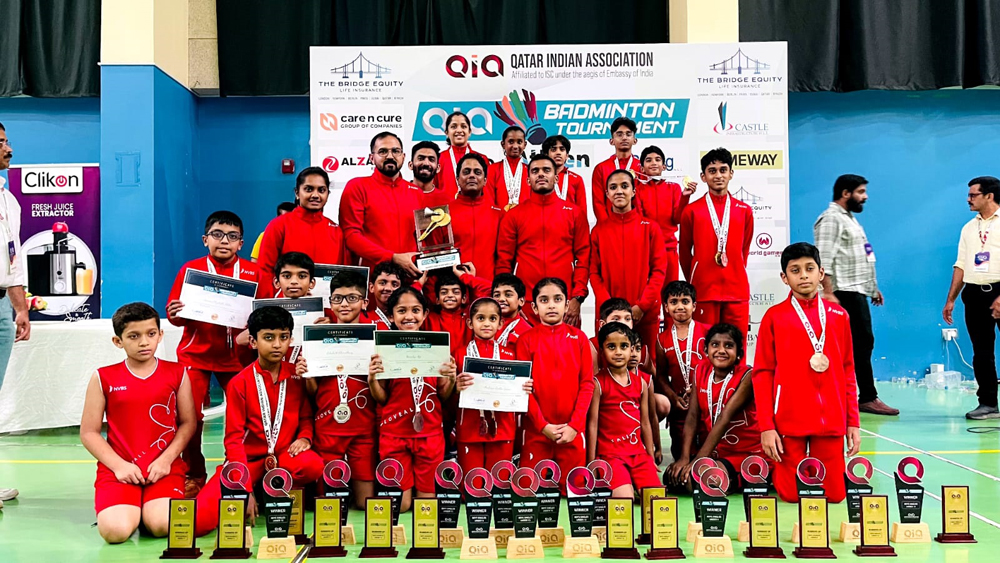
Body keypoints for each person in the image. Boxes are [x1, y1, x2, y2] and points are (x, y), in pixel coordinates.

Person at [195, 306, 324, 535]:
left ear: (290, 339)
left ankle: (272, 491)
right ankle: (256, 487)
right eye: (268, 338)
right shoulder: (239, 383)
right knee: (201, 522)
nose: (277, 344)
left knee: (311, 464)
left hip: (283, 456)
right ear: (253, 342)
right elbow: (233, 440)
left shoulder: (296, 375)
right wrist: (244, 489)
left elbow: (305, 416)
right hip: (248, 461)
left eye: (283, 337)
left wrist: (305, 437)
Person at [80, 303, 196, 543]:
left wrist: (166, 460)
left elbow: (188, 423)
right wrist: (119, 466)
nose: (144, 342)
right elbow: (89, 433)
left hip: (164, 468)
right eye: (134, 336)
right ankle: (131, 510)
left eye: (151, 334)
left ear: (160, 335)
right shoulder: (103, 376)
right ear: (118, 341)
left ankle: (146, 510)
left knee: (162, 525)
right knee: (115, 532)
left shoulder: (178, 373)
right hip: (119, 469)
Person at [753, 243, 860, 503]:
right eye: (795, 270)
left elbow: (847, 370)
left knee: (834, 496)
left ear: (821, 273)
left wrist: (852, 421)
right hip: (789, 421)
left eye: (809, 269)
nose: (803, 275)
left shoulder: (839, 316)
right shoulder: (774, 317)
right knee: (790, 496)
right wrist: (767, 426)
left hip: (831, 420)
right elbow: (763, 373)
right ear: (784, 277)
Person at [166, 211, 260, 496]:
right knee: (188, 418)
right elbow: (175, 313)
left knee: (246, 420)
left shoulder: (253, 273)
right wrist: (175, 315)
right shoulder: (191, 270)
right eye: (218, 235)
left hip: (239, 358)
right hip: (196, 355)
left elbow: (264, 312)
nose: (224, 241)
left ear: (241, 243)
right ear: (206, 239)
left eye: (232, 236)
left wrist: (252, 333)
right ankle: (194, 472)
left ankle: (236, 469)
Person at [814, 174, 897, 416]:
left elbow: (861, 256)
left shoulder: (848, 219)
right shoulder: (831, 219)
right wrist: (828, 292)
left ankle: (860, 396)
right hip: (842, 293)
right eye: (861, 192)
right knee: (854, 345)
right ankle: (865, 397)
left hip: (856, 290)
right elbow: (823, 257)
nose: (866, 197)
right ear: (846, 193)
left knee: (861, 344)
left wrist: (872, 288)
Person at [368, 287, 458, 511]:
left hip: (429, 434)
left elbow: (443, 396)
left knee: (426, 505)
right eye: (402, 311)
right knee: (402, 505)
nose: (409, 316)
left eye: (416, 310)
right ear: (391, 316)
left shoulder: (438, 348)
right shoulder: (384, 349)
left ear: (425, 314)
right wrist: (371, 379)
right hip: (394, 433)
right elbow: (382, 398)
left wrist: (451, 379)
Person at [309, 270, 379, 508]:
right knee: (328, 505)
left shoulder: (377, 337)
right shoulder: (318, 337)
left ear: (364, 302)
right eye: (338, 299)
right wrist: (306, 372)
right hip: (328, 427)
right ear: (330, 302)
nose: (344, 304)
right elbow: (312, 390)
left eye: (352, 298)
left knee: (364, 503)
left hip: (364, 427)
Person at [665, 324, 763, 493]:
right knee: (672, 477)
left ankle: (747, 479)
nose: (721, 350)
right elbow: (693, 416)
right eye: (715, 344)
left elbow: (724, 417)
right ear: (706, 349)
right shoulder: (700, 370)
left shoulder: (747, 376)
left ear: (739, 353)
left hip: (745, 453)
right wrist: (684, 457)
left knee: (702, 480)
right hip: (715, 452)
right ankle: (729, 479)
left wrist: (699, 461)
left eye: (729, 346)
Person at [515, 278, 594, 489]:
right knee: (528, 491)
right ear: (533, 306)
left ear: (567, 304)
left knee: (575, 492)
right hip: (537, 432)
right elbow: (522, 389)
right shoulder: (526, 340)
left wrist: (575, 427)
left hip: (572, 434)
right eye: (544, 300)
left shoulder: (579, 338)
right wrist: (542, 426)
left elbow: (587, 385)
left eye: (557, 299)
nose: (551, 305)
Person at [496, 155, 590, 327]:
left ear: (556, 178)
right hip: (526, 306)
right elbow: (504, 262)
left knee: (566, 354)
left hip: (566, 304)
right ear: (528, 180)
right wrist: (514, 302)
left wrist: (577, 298)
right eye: (535, 171)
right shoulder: (513, 216)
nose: (540, 174)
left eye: (546, 170)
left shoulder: (574, 213)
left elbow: (583, 259)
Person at [590, 169, 668, 358]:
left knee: (645, 366)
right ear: (607, 194)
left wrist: (642, 306)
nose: (619, 191)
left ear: (634, 191)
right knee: (608, 365)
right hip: (609, 315)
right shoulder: (599, 231)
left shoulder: (650, 228)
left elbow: (659, 271)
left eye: (624, 186)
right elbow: (593, 272)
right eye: (613, 187)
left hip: (644, 314)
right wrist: (610, 310)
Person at [454, 298, 532, 476]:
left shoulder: (511, 356)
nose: (486, 323)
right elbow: (447, 393)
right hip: (469, 427)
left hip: (503, 427)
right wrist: (454, 386)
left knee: (499, 486)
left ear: (500, 324)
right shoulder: (459, 354)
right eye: (480, 318)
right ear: (470, 323)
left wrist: (525, 387)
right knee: (472, 487)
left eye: (492, 319)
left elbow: (520, 390)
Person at [679, 148, 754, 333]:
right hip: (703, 291)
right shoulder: (692, 211)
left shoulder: (744, 210)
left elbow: (744, 249)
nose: (718, 175)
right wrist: (697, 279)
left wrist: (734, 269)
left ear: (731, 174)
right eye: (712, 171)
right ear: (703, 176)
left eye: (723, 170)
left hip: (736, 291)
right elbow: (684, 253)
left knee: (737, 347)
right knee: (705, 346)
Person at [943, 176, 1000, 420]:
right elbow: (960, 266)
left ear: (989, 195)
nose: (968, 199)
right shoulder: (968, 227)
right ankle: (988, 403)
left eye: (973, 195)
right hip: (975, 294)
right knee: (982, 352)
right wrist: (951, 299)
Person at [586, 323, 659, 498]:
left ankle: (637, 481)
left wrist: (649, 456)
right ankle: (627, 485)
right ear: (602, 351)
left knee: (657, 503)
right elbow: (592, 425)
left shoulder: (641, 383)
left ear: (632, 349)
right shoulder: (598, 383)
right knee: (625, 500)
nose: (618, 352)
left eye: (624, 346)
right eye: (611, 346)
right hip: (611, 456)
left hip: (638, 455)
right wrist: (591, 463)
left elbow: (645, 423)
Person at [340, 132, 423, 276]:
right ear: (371, 158)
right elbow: (351, 236)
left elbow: (422, 238)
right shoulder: (357, 187)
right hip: (372, 278)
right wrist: (393, 258)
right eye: (383, 151)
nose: (390, 156)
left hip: (409, 277)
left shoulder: (416, 192)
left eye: (396, 151)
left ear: (403, 157)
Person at [0, 122, 30, 508]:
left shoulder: (9, 200)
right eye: (0, 143)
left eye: (6, 140)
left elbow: (12, 257)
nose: (8, 148)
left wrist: (20, 307)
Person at [257, 167, 345, 297]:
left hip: (326, 310)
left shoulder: (336, 230)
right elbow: (265, 271)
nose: (315, 195)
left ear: (327, 194)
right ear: (297, 193)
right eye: (309, 189)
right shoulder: (278, 225)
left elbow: (341, 274)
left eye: (321, 190)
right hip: (285, 307)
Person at [655, 281, 709, 462]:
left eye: (685, 301)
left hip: (706, 402)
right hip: (680, 407)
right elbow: (661, 375)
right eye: (674, 302)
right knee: (681, 455)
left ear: (694, 306)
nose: (680, 307)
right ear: (666, 307)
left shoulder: (708, 333)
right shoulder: (662, 339)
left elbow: (716, 369)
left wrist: (700, 390)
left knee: (706, 455)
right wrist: (672, 397)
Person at [636, 146, 696, 286]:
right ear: (642, 168)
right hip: (646, 251)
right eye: (648, 160)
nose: (654, 163)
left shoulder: (674, 188)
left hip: (669, 250)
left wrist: (684, 198)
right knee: (649, 295)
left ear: (664, 166)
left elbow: (678, 219)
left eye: (657, 160)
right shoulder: (637, 189)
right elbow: (639, 220)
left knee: (670, 294)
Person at [452, 153, 503, 280]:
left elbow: (504, 259)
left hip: (488, 290)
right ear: (457, 179)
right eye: (466, 172)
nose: (472, 176)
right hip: (454, 291)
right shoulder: (443, 214)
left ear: (485, 180)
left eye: (477, 172)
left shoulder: (499, 214)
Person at [592, 117, 641, 223]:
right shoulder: (601, 168)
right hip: (609, 228)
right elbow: (598, 203)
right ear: (611, 141)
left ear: (635, 140)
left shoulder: (641, 168)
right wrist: (608, 226)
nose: (624, 138)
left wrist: (639, 225)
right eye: (619, 134)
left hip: (637, 227)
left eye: (628, 134)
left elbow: (644, 201)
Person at [435, 112, 486, 199]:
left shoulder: (482, 159)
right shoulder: (438, 159)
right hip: (445, 211)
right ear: (446, 132)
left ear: (469, 132)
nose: (459, 130)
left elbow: (487, 191)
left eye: (463, 126)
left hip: (475, 209)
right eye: (454, 126)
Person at [425, 271, 471, 357]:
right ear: (437, 300)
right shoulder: (429, 319)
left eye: (456, 292)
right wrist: (419, 284)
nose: (450, 295)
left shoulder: (470, 318)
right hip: (438, 366)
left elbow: (486, 292)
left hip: (464, 366)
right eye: (444, 292)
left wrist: (470, 279)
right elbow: (410, 303)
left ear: (464, 298)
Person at [487, 126, 530, 210]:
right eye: (511, 142)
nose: (515, 146)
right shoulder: (492, 169)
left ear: (525, 145)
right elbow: (489, 200)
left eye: (519, 142)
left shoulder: (531, 170)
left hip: (526, 220)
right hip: (500, 220)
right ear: (503, 144)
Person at [543, 135, 587, 213]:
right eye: (553, 149)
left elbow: (582, 210)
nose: (558, 153)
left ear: (567, 156)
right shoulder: (540, 178)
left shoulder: (576, 179)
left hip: (571, 223)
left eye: (562, 149)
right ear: (546, 155)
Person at [409, 141, 448, 208]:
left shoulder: (447, 201)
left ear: (438, 168)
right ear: (411, 165)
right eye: (421, 158)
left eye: (431, 159)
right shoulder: (398, 196)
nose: (426, 163)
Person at [367, 261, 406, 326]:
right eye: (382, 283)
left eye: (395, 284)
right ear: (371, 287)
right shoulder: (364, 320)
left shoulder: (409, 319)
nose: (388, 288)